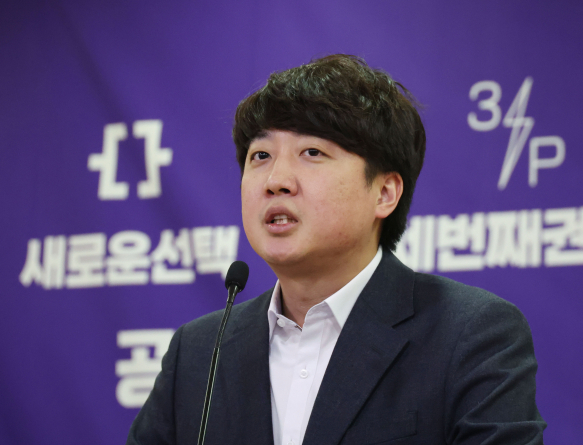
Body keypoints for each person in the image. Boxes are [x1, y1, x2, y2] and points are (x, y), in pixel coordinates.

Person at [127, 54, 546, 445]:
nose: (276, 180)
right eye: (260, 155)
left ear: (384, 193)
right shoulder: (199, 352)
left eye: (312, 152)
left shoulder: (469, 334)